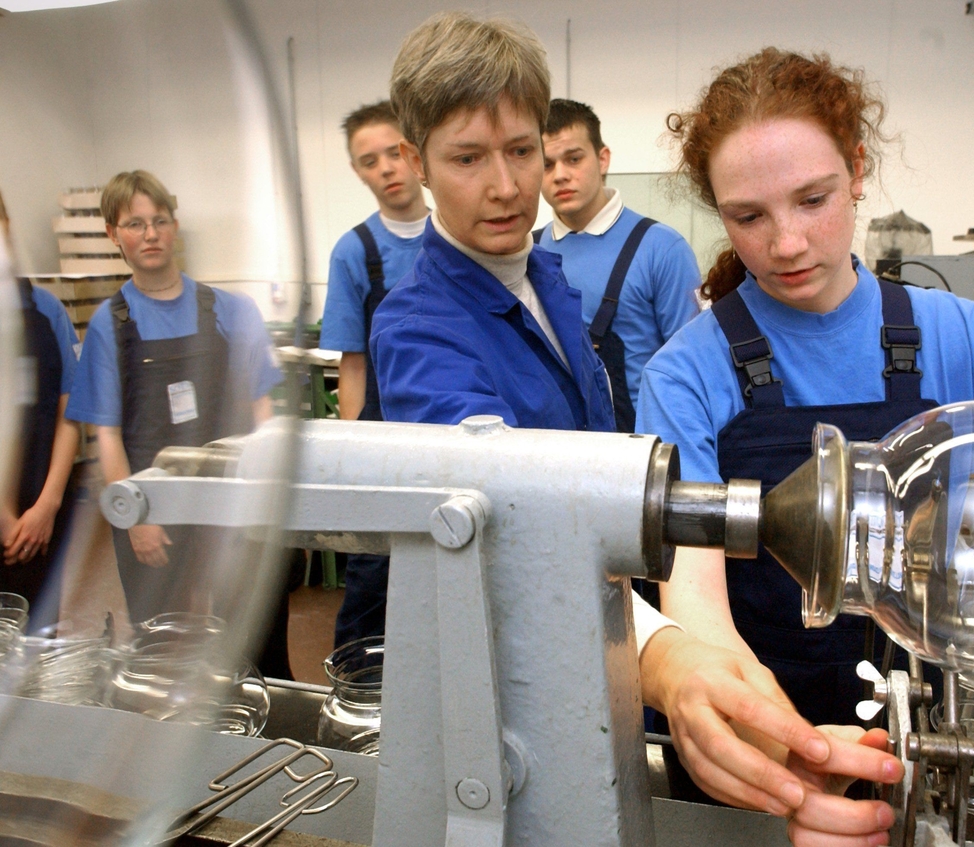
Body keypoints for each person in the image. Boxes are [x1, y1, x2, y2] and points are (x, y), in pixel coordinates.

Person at [372, 14, 901, 840]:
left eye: (522, 151)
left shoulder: (541, 275)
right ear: (416, 162)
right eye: (468, 159)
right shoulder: (420, 330)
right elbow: (508, 529)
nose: (509, 186)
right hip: (514, 689)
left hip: (598, 657)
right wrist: (666, 655)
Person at [636, 48, 974, 828]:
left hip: (943, 744)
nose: (788, 242)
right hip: (764, 746)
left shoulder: (970, 340)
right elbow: (695, 608)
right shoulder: (686, 374)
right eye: (749, 216)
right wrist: (790, 757)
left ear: (857, 170)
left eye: (812, 199)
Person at [65, 170, 283, 624]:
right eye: (135, 224)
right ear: (113, 234)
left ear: (174, 227)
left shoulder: (232, 309)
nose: (150, 234)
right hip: (154, 507)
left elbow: (264, 413)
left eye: (160, 220)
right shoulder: (109, 324)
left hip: (231, 502)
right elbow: (106, 435)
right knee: (157, 640)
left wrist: (264, 498)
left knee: (251, 634)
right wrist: (133, 519)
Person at [321, 101, 429, 647]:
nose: (386, 168)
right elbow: (352, 364)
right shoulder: (354, 252)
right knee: (374, 581)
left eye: (393, 153)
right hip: (386, 445)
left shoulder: (460, 234)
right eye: (369, 160)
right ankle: (357, 701)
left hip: (456, 432)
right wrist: (355, 461)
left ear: (414, 152)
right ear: (358, 172)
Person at [536, 99, 700, 432]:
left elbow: (692, 370)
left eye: (573, 158)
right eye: (547, 165)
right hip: (553, 450)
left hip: (642, 455)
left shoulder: (662, 249)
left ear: (602, 158)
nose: (561, 175)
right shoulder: (528, 252)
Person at [0, 188, 82, 621]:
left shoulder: (45, 310)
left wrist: (47, 505)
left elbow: (71, 412)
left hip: (41, 511)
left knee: (37, 638)